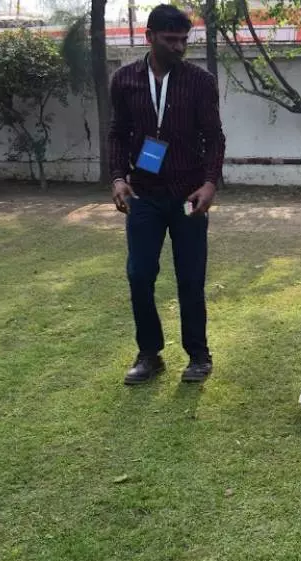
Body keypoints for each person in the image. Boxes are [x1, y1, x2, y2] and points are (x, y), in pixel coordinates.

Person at [108, 4, 226, 385]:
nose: (178, 47)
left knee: (190, 278)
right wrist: (117, 178)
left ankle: (198, 356)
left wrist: (209, 184)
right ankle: (149, 354)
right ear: (149, 37)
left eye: (183, 40)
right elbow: (117, 134)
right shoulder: (125, 80)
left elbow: (214, 138)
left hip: (188, 196)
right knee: (139, 275)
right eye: (170, 40)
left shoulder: (200, 81)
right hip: (143, 195)